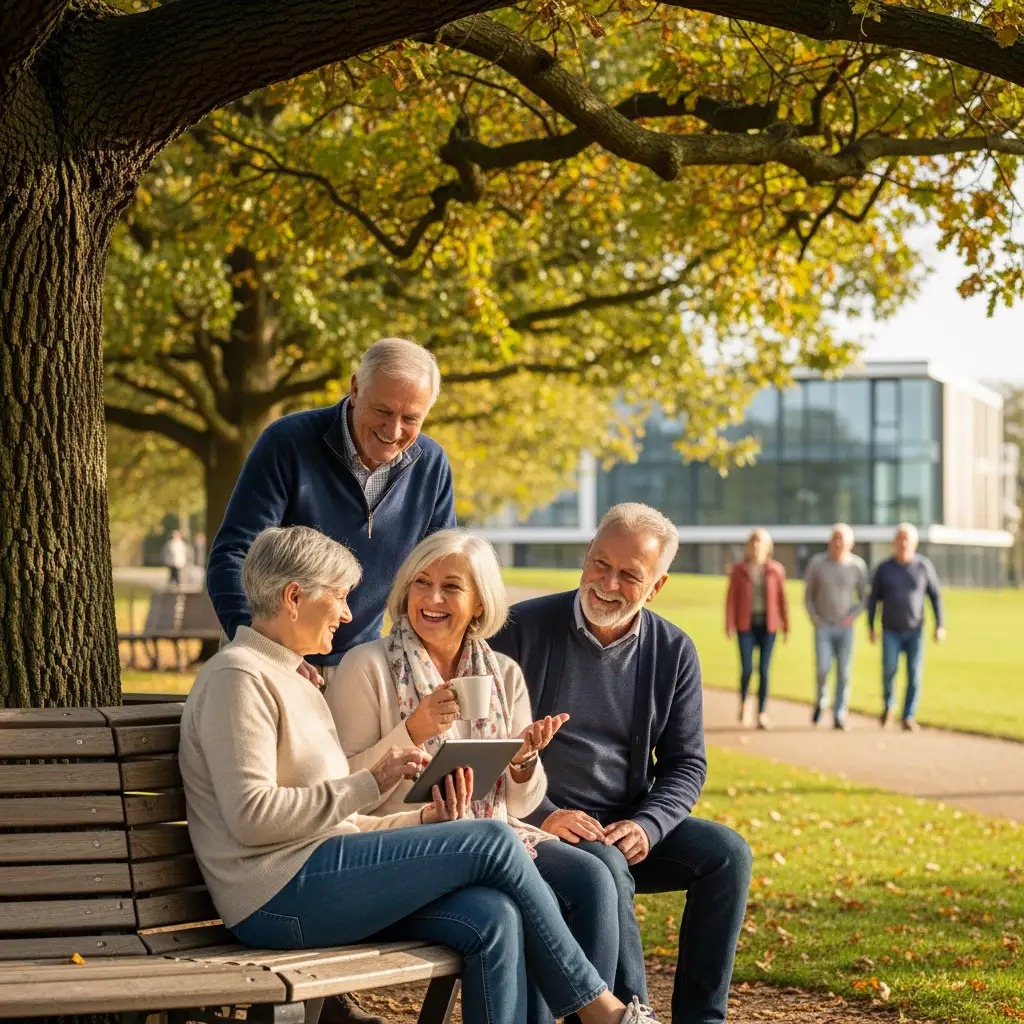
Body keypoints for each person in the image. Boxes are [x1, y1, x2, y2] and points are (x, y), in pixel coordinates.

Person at [180, 525, 660, 1024]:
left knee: (494, 915)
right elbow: (253, 818)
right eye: (340, 597)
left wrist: (424, 820)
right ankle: (600, 1009)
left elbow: (339, 825)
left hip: (317, 874)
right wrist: (371, 781)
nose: (348, 614)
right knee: (493, 839)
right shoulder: (239, 676)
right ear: (294, 597)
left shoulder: (296, 677)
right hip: (274, 896)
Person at [329, 529, 645, 1024]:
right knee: (519, 905)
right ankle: (600, 1012)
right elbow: (344, 787)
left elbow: (519, 804)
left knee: (594, 878)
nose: (432, 599)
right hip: (406, 840)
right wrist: (412, 730)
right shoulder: (366, 666)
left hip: (495, 828)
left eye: (451, 587)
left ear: (479, 603)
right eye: (421, 583)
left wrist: (522, 760)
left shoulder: (502, 673)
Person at [490, 503, 752, 1024]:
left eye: (629, 575)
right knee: (606, 865)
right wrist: (543, 814)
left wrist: (647, 825)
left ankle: (703, 1019)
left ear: (656, 586)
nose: (607, 584)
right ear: (587, 555)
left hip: (622, 821)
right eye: (600, 564)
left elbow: (686, 764)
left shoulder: (673, 651)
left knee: (728, 855)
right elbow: (486, 743)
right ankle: (634, 1014)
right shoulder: (520, 629)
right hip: (538, 825)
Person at [206, 337, 456, 694]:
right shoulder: (287, 442)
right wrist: (265, 649)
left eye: (410, 418)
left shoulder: (432, 465)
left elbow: (440, 575)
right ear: (355, 389)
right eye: (382, 411)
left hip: (361, 663)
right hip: (268, 655)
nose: (393, 430)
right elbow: (232, 555)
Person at [867, 523, 945, 732]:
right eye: (900, 539)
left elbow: (935, 597)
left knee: (914, 675)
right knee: (889, 671)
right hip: (890, 630)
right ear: (894, 543)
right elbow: (873, 599)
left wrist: (940, 625)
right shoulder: (884, 568)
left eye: (907, 539)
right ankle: (888, 708)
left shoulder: (923, 567)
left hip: (915, 630)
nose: (903, 543)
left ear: (914, 543)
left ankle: (908, 716)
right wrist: (871, 626)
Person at [803, 524, 870, 731]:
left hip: (845, 627)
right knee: (823, 668)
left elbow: (864, 597)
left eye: (842, 539)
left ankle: (840, 713)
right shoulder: (817, 564)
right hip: (823, 626)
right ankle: (821, 701)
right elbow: (808, 596)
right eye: (835, 538)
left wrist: (852, 616)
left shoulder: (857, 566)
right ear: (829, 541)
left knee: (844, 671)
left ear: (851, 543)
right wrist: (815, 618)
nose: (838, 543)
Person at [725, 528, 788, 730]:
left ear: (768, 547)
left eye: (760, 542)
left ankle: (761, 713)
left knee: (764, 670)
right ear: (747, 546)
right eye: (753, 542)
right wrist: (729, 623)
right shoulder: (739, 570)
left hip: (768, 626)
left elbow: (782, 599)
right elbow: (731, 598)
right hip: (746, 626)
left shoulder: (776, 570)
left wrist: (786, 625)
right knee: (746, 668)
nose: (756, 545)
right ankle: (744, 703)